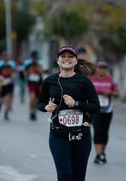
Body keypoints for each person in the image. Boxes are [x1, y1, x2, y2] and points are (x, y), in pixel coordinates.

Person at [37, 45, 100, 181]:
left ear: (76, 60)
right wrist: (46, 107)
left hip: (81, 135)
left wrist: (76, 104)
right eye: (63, 56)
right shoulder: (50, 81)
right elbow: (40, 104)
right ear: (58, 60)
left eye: (70, 57)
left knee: (78, 177)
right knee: (65, 175)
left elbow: (96, 107)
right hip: (58, 134)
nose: (67, 59)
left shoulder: (84, 81)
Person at [90, 60, 119, 164]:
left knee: (105, 132)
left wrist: (110, 92)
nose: (102, 70)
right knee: (97, 131)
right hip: (95, 110)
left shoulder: (111, 80)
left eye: (104, 68)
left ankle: (103, 153)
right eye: (100, 67)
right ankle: (98, 155)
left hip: (107, 110)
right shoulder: (91, 79)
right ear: (96, 68)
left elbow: (117, 93)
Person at [0, 51, 16, 120]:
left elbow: (15, 72)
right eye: (4, 56)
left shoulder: (12, 64)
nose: (6, 57)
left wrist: (13, 76)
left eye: (7, 56)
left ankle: (6, 113)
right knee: (2, 98)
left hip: (9, 82)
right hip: (1, 82)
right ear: (2, 57)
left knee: (8, 97)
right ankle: (0, 104)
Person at [24, 51, 43, 121]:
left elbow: (41, 73)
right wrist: (29, 71)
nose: (35, 60)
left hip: (38, 84)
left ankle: (34, 112)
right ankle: (31, 111)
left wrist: (38, 68)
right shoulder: (28, 65)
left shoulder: (39, 65)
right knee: (32, 98)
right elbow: (25, 74)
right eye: (34, 58)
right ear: (31, 58)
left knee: (36, 100)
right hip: (31, 84)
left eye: (36, 59)